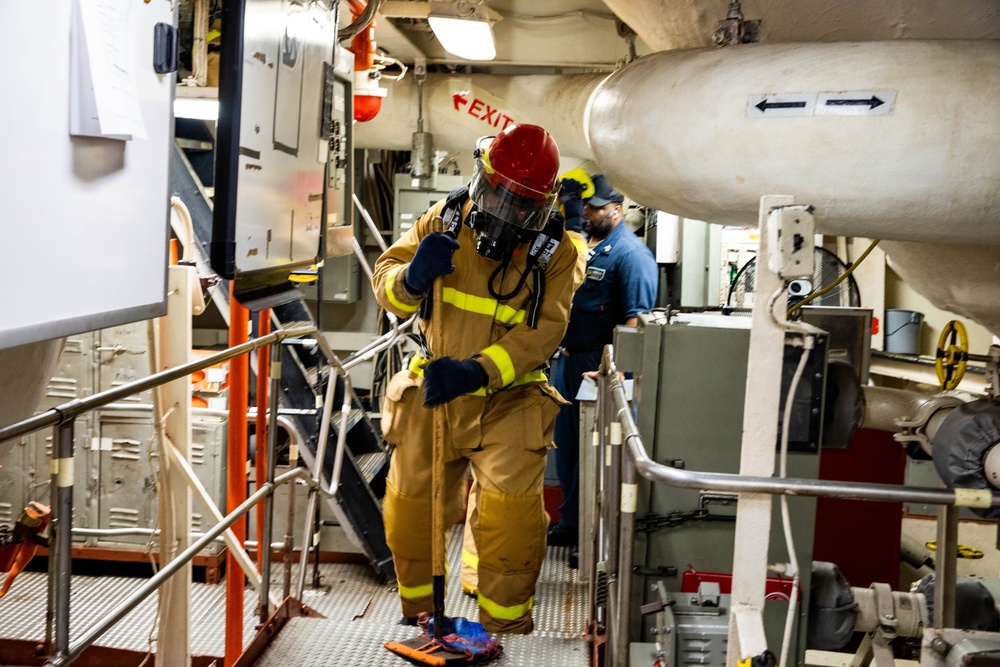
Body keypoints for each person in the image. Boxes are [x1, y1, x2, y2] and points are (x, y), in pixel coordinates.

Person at [372, 124, 580, 635]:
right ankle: (422, 614)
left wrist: (477, 371)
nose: (507, 215)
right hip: (437, 386)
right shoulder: (442, 220)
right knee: (411, 505)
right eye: (499, 198)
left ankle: (503, 627)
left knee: (510, 522)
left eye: (523, 207)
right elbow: (387, 284)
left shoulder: (557, 255)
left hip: (510, 397)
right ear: (482, 181)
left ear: (545, 206)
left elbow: (543, 333)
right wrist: (412, 278)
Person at [547, 174, 659, 564]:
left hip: (599, 366)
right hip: (568, 362)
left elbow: (637, 319)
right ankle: (570, 522)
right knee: (568, 450)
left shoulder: (631, 254)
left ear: (618, 209)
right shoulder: (587, 246)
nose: (588, 213)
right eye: (586, 207)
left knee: (597, 458)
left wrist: (618, 372)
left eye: (595, 206)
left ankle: (593, 536)